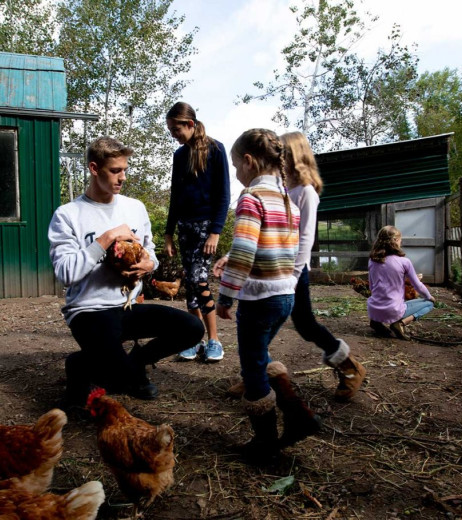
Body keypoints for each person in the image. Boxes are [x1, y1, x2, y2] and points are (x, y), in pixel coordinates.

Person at [48, 137, 204, 404]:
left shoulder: (135, 208)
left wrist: (148, 265)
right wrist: (106, 238)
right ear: (94, 168)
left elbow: (150, 252)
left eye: (125, 170)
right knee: (117, 382)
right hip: (89, 311)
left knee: (192, 328)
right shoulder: (67, 214)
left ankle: (135, 362)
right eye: (114, 171)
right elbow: (65, 273)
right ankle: (82, 365)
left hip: (127, 306)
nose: (122, 177)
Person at [214, 131, 366, 402]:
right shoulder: (282, 192)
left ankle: (348, 365)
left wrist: (292, 277)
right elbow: (255, 237)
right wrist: (230, 254)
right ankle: (256, 376)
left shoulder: (303, 192)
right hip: (277, 270)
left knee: (303, 324)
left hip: (291, 270)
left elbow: (304, 239)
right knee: (273, 328)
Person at [216, 128, 319, 462]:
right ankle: (298, 415)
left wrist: (226, 295)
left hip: (258, 298)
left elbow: (245, 252)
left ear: (248, 162)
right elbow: (275, 248)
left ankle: (265, 442)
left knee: (252, 369)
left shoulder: (251, 198)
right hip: (284, 295)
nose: (235, 174)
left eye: (235, 166)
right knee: (260, 357)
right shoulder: (288, 199)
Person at [163, 102, 230, 363]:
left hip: (205, 227)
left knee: (200, 280)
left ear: (190, 124)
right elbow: (175, 196)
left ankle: (214, 340)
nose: (173, 134)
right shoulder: (179, 156)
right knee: (190, 281)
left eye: (176, 129)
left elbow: (224, 195)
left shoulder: (216, 149)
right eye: (170, 130)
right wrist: (168, 233)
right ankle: (195, 339)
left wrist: (215, 232)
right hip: (184, 227)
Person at [367, 225, 435, 340]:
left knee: (381, 298)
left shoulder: (372, 260)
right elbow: (417, 286)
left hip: (373, 308)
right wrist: (429, 296)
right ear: (396, 241)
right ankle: (400, 323)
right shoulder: (404, 262)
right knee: (429, 304)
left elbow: (372, 285)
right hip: (393, 310)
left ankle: (376, 322)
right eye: (400, 240)